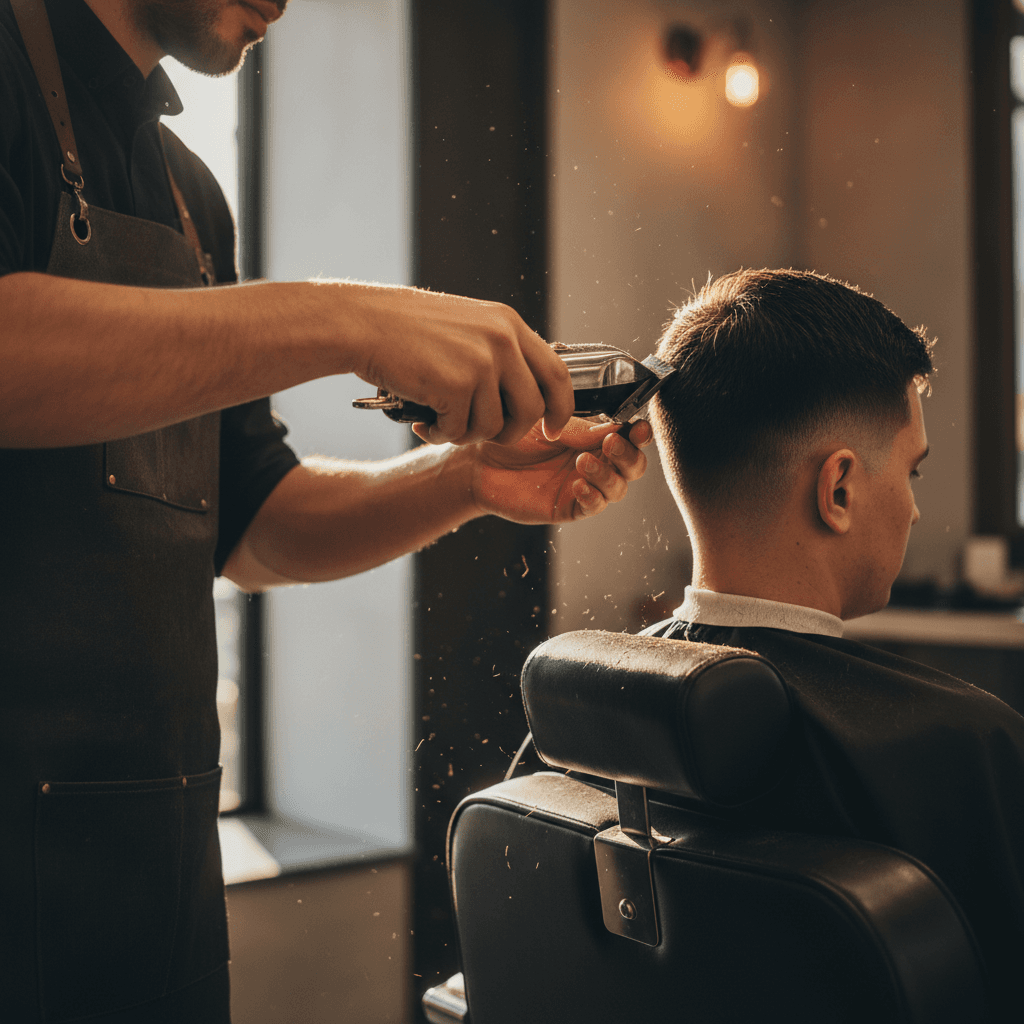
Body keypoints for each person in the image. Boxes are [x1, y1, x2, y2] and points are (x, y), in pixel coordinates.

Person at [0, 0, 650, 1021]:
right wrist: (349, 318)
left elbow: (253, 521)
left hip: (150, 875)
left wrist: (468, 481)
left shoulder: (190, 199)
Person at [642, 267, 1024, 1022]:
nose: (915, 510)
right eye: (913, 471)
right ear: (838, 489)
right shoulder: (970, 746)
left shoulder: (583, 712)